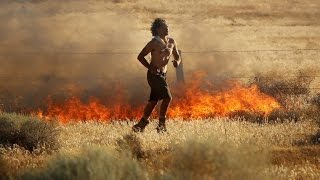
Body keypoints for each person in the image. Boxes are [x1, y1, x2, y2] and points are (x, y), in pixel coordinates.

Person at [132, 18, 181, 133]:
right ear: (158, 29)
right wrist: (150, 67)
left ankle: (141, 124)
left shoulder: (171, 41)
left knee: (153, 101)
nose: (167, 28)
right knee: (167, 97)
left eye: (167, 26)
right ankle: (161, 125)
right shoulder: (153, 43)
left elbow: (177, 56)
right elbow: (140, 56)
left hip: (163, 74)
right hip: (153, 75)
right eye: (165, 26)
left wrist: (176, 62)